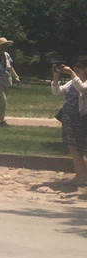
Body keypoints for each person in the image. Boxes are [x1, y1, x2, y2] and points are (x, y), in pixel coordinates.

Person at [51, 58, 87, 186]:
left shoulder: (81, 82)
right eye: (75, 66)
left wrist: (72, 73)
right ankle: (82, 175)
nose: (76, 69)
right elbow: (57, 92)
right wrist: (56, 77)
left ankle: (81, 177)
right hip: (68, 118)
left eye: (79, 67)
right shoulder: (72, 82)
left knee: (77, 147)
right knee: (73, 147)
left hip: (80, 118)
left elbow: (82, 88)